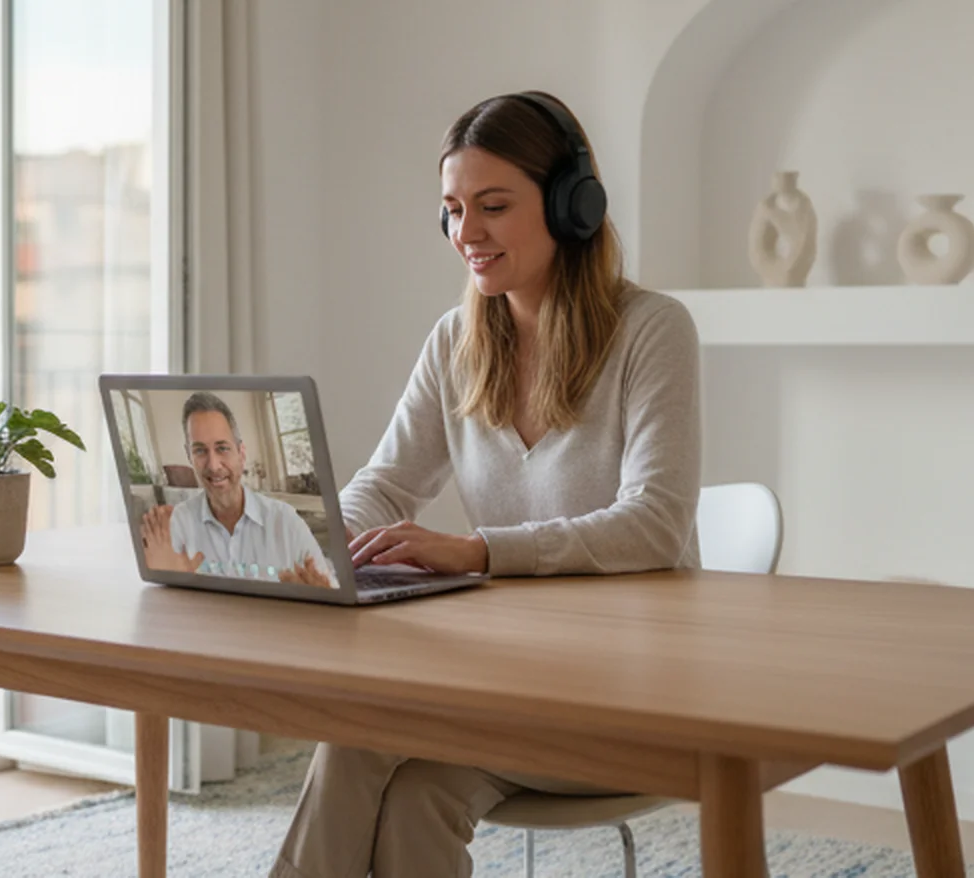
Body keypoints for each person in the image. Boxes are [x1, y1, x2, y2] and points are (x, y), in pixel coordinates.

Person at [268, 91, 701, 877]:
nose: (466, 233)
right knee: (412, 798)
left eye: (492, 205)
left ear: (575, 206)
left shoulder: (652, 330)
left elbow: (656, 524)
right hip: (509, 686)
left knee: (363, 738)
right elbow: (387, 484)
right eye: (452, 209)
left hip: (635, 698)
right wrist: (309, 537)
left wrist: (473, 551)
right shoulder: (456, 341)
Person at [140, 391, 337, 588]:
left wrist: (322, 596)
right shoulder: (175, 526)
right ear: (189, 456)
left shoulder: (286, 522)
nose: (214, 465)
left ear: (241, 453)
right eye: (200, 450)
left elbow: (331, 593)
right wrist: (166, 584)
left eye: (222, 448)